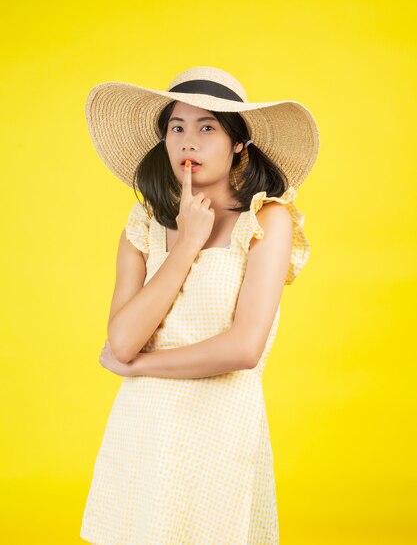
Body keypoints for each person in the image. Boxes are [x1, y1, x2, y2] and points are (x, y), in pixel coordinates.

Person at [79, 66, 320, 544]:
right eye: (177, 128)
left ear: (238, 144)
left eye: (207, 127)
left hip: (221, 429)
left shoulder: (267, 221)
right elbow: (121, 339)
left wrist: (138, 367)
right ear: (164, 140)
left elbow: (244, 348)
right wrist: (186, 244)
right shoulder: (143, 227)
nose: (189, 141)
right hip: (144, 430)